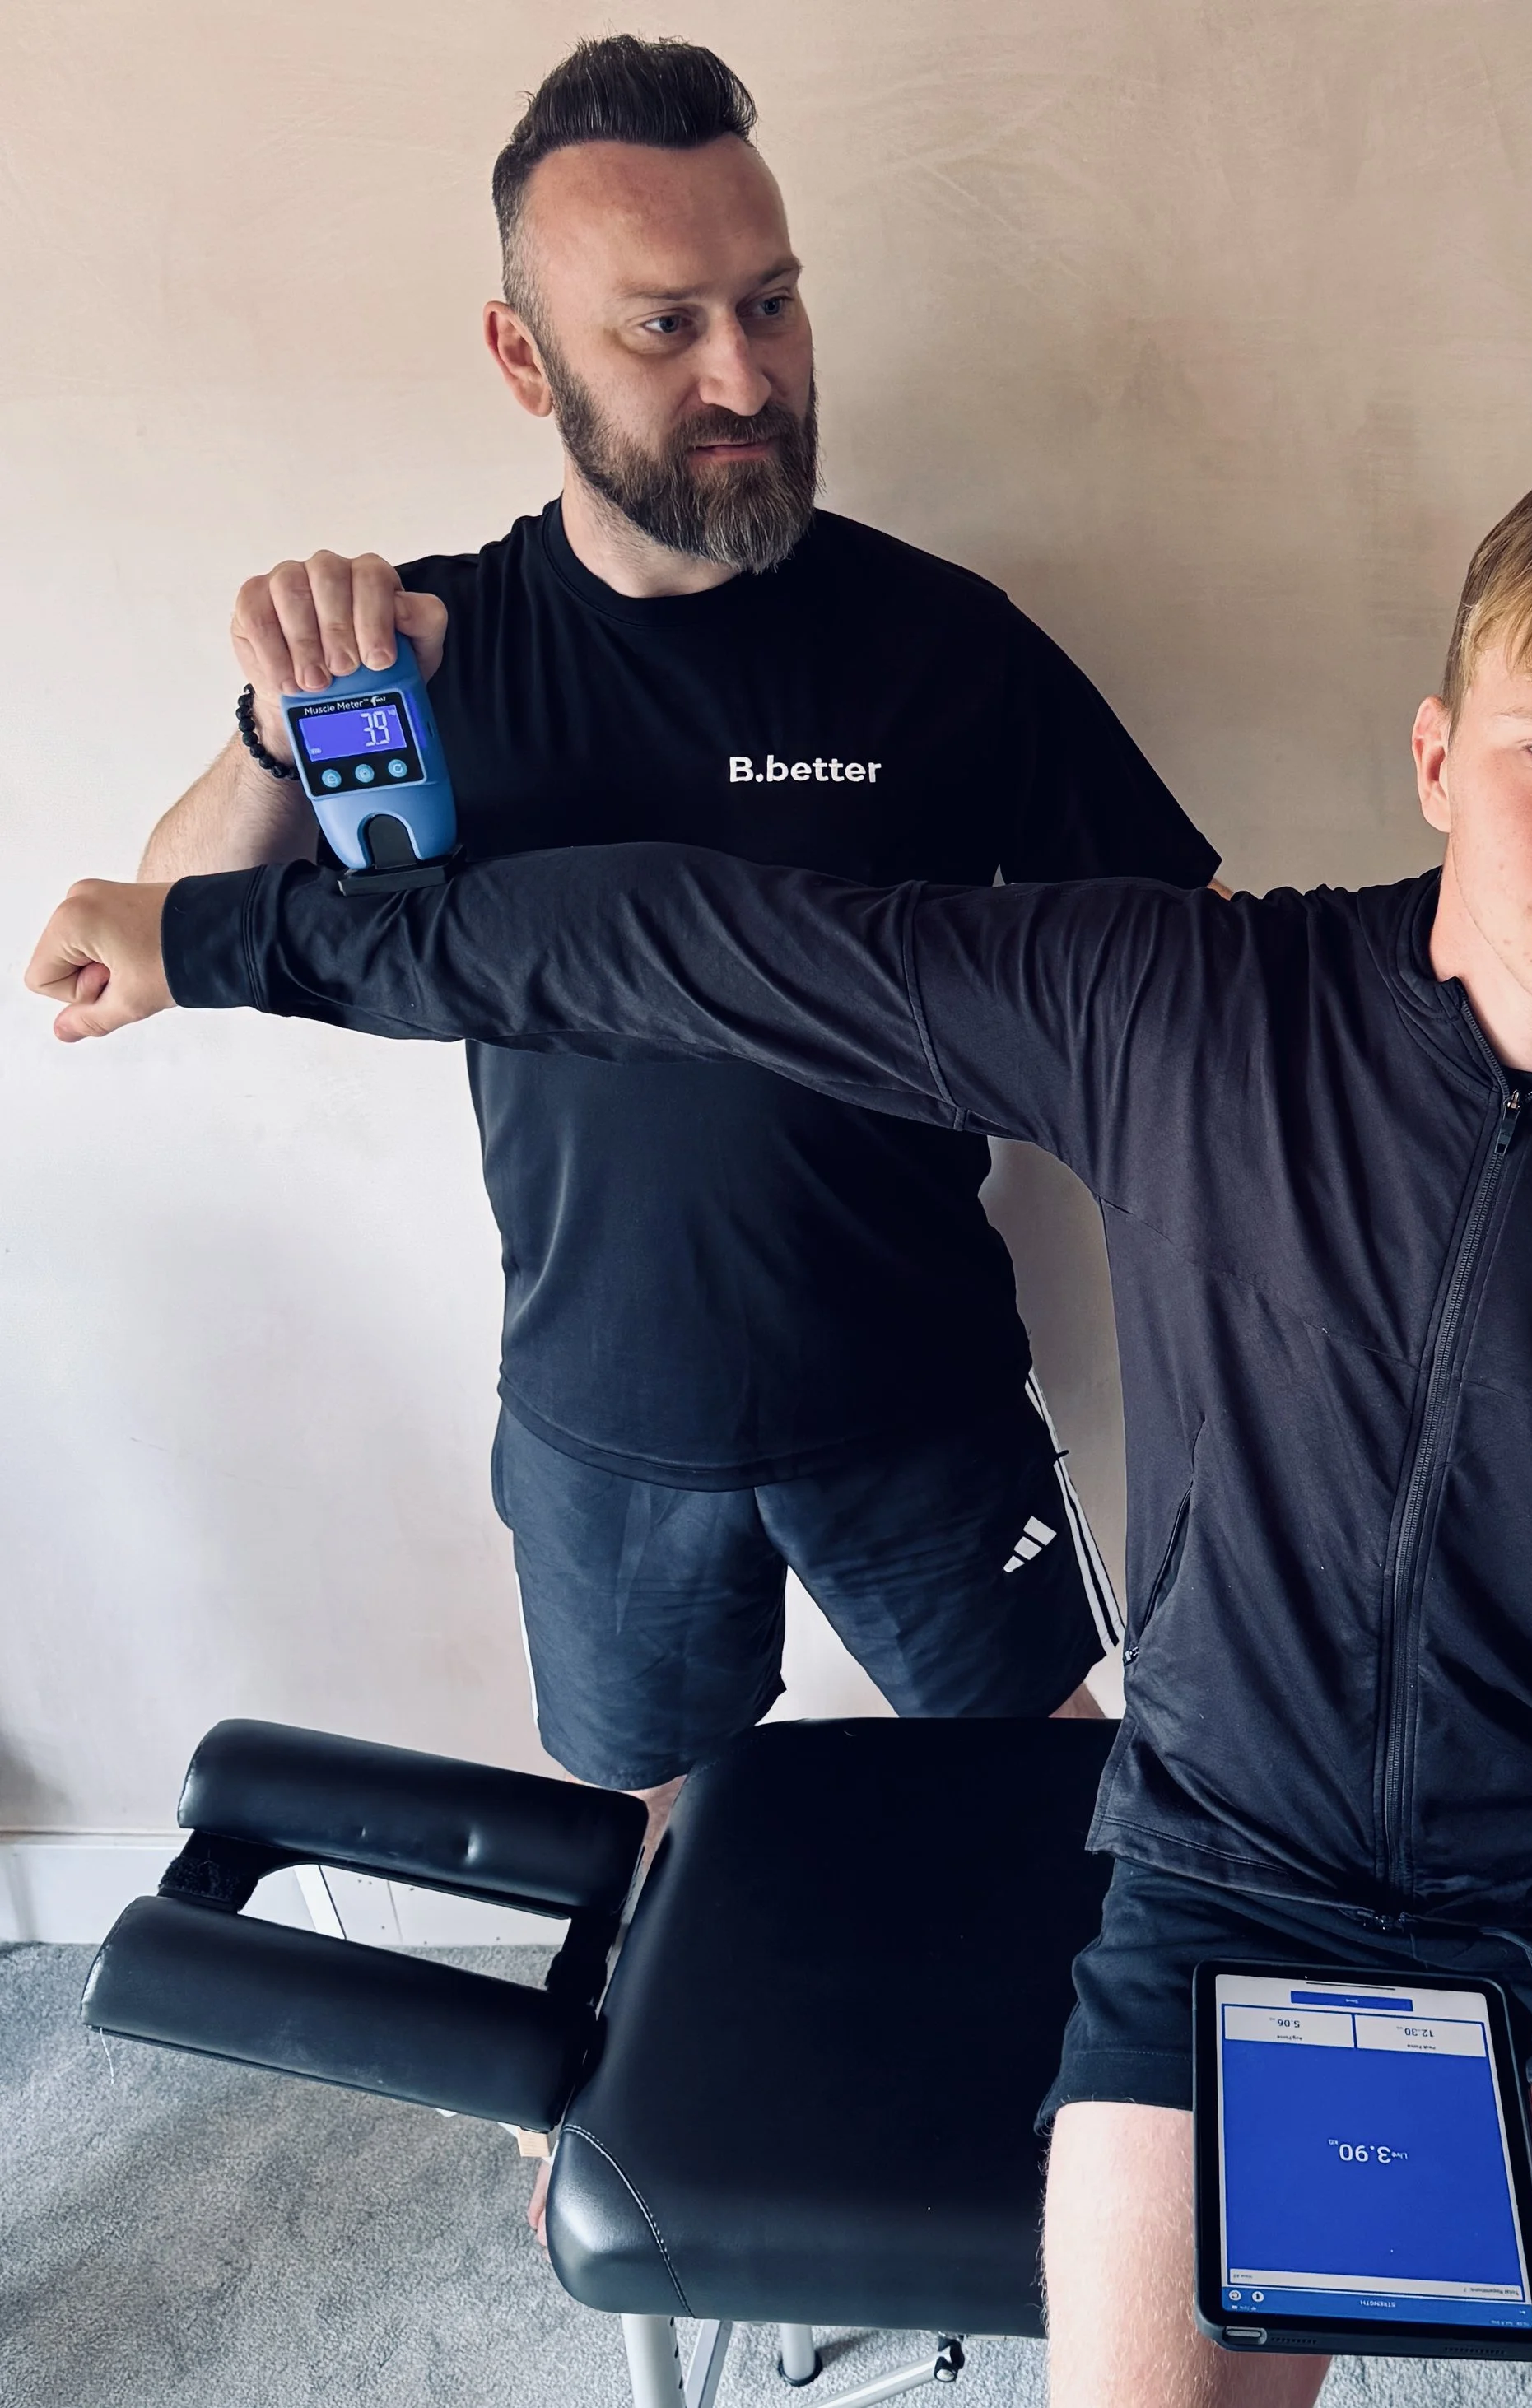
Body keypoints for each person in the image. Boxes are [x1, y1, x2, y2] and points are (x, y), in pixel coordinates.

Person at [34, 446, 1532, 2408]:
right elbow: (661, 943)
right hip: (1228, 1876)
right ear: (1436, 754)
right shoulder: (1182, 1012)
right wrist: (216, 942)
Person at [138, 36, 1223, 1851]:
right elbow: (161, 936)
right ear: (522, 355)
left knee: (1051, 1799)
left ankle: (1076, 2120)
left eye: (773, 305)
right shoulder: (425, 656)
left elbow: (1178, 980)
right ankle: (598, 2129)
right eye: (664, 326)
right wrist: (272, 728)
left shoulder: (940, 643)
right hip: (596, 1422)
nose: (749, 375)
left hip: (920, 1392)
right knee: (638, 1832)